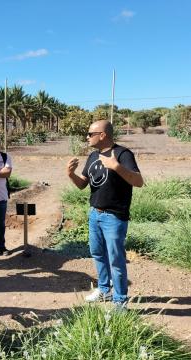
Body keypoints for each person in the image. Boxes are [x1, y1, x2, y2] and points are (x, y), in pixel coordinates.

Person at [66, 120, 143, 309]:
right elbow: (83, 183)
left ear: (102, 135)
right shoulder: (93, 156)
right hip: (95, 214)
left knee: (116, 259)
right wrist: (71, 174)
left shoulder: (123, 154)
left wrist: (116, 166)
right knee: (98, 254)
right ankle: (103, 289)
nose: (87, 137)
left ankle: (120, 300)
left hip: (114, 217)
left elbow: (139, 181)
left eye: (90, 134)